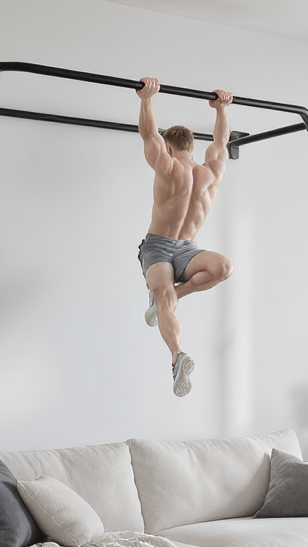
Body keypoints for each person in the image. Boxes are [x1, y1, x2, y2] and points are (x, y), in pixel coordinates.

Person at [135, 77, 236, 397]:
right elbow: (222, 141)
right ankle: (178, 357)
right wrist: (221, 110)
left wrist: (146, 100)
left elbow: (148, 133)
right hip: (158, 248)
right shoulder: (213, 168)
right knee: (166, 303)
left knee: (223, 267)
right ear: (192, 146)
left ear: (168, 146)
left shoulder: (166, 164)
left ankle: (166, 297)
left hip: (184, 248)